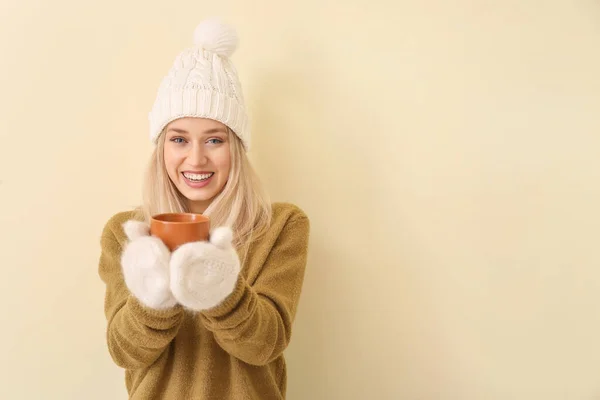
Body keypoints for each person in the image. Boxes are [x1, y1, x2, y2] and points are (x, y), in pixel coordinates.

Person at [97, 18, 310, 400]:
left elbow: (266, 345)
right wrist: (153, 301)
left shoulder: (280, 226)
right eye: (179, 139)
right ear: (162, 148)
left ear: (237, 149)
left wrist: (223, 291)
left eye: (214, 139)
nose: (196, 159)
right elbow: (124, 351)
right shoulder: (126, 233)